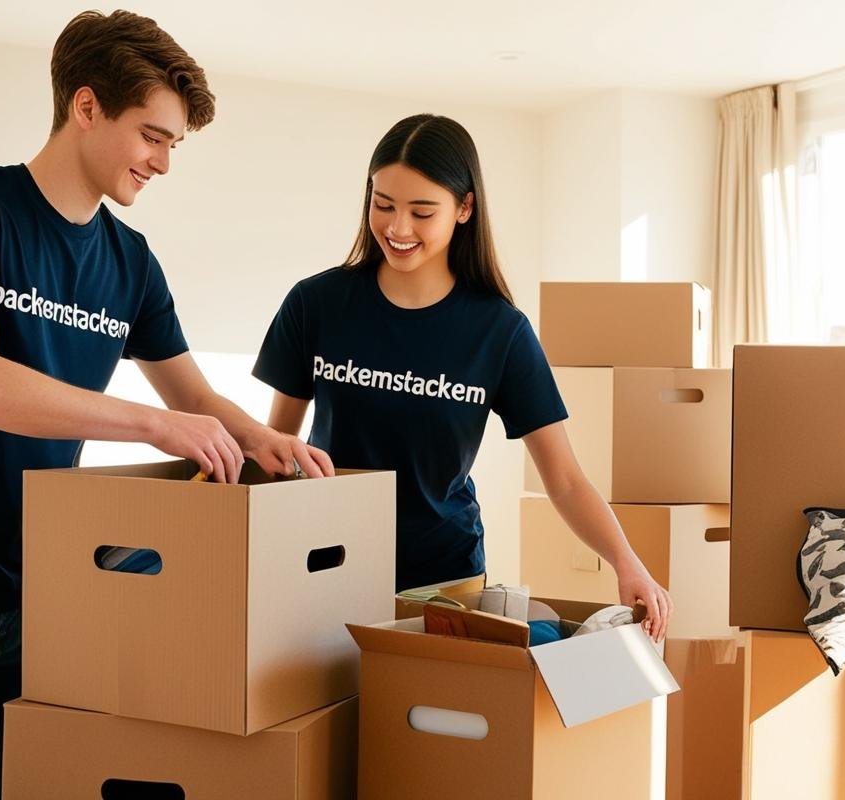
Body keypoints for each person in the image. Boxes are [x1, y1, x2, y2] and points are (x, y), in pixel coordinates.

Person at [0, 11, 331, 798]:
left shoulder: (130, 263)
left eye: (174, 145)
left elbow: (192, 393)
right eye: (152, 136)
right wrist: (155, 424)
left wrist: (268, 442)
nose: (164, 163)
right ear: (87, 106)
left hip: (46, 589)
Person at [252, 114, 673, 639]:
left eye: (421, 212)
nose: (397, 228)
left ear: (465, 208)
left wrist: (626, 561)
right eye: (383, 205)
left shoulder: (500, 331)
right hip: (326, 565)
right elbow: (277, 449)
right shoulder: (315, 305)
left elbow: (563, 478)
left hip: (445, 581)